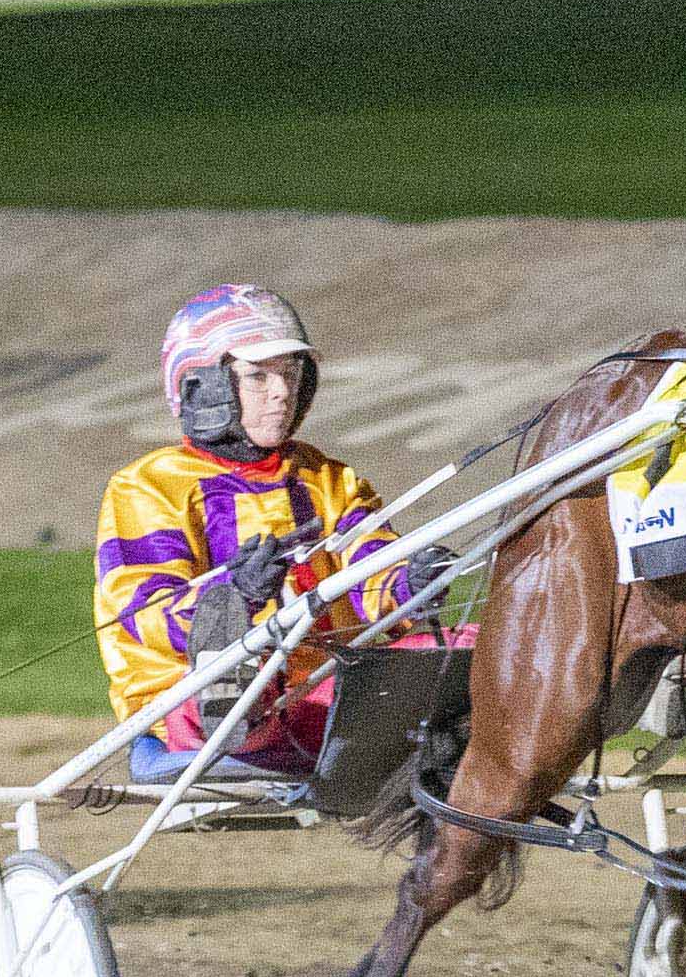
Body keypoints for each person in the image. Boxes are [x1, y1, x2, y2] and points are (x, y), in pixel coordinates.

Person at [93, 284, 451, 776]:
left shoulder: (329, 479)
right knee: (233, 681)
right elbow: (143, 614)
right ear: (204, 388)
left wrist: (411, 582)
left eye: (290, 375)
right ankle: (238, 720)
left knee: (464, 646)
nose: (282, 392)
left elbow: (372, 569)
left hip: (330, 689)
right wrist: (232, 596)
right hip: (194, 703)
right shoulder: (147, 487)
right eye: (258, 377)